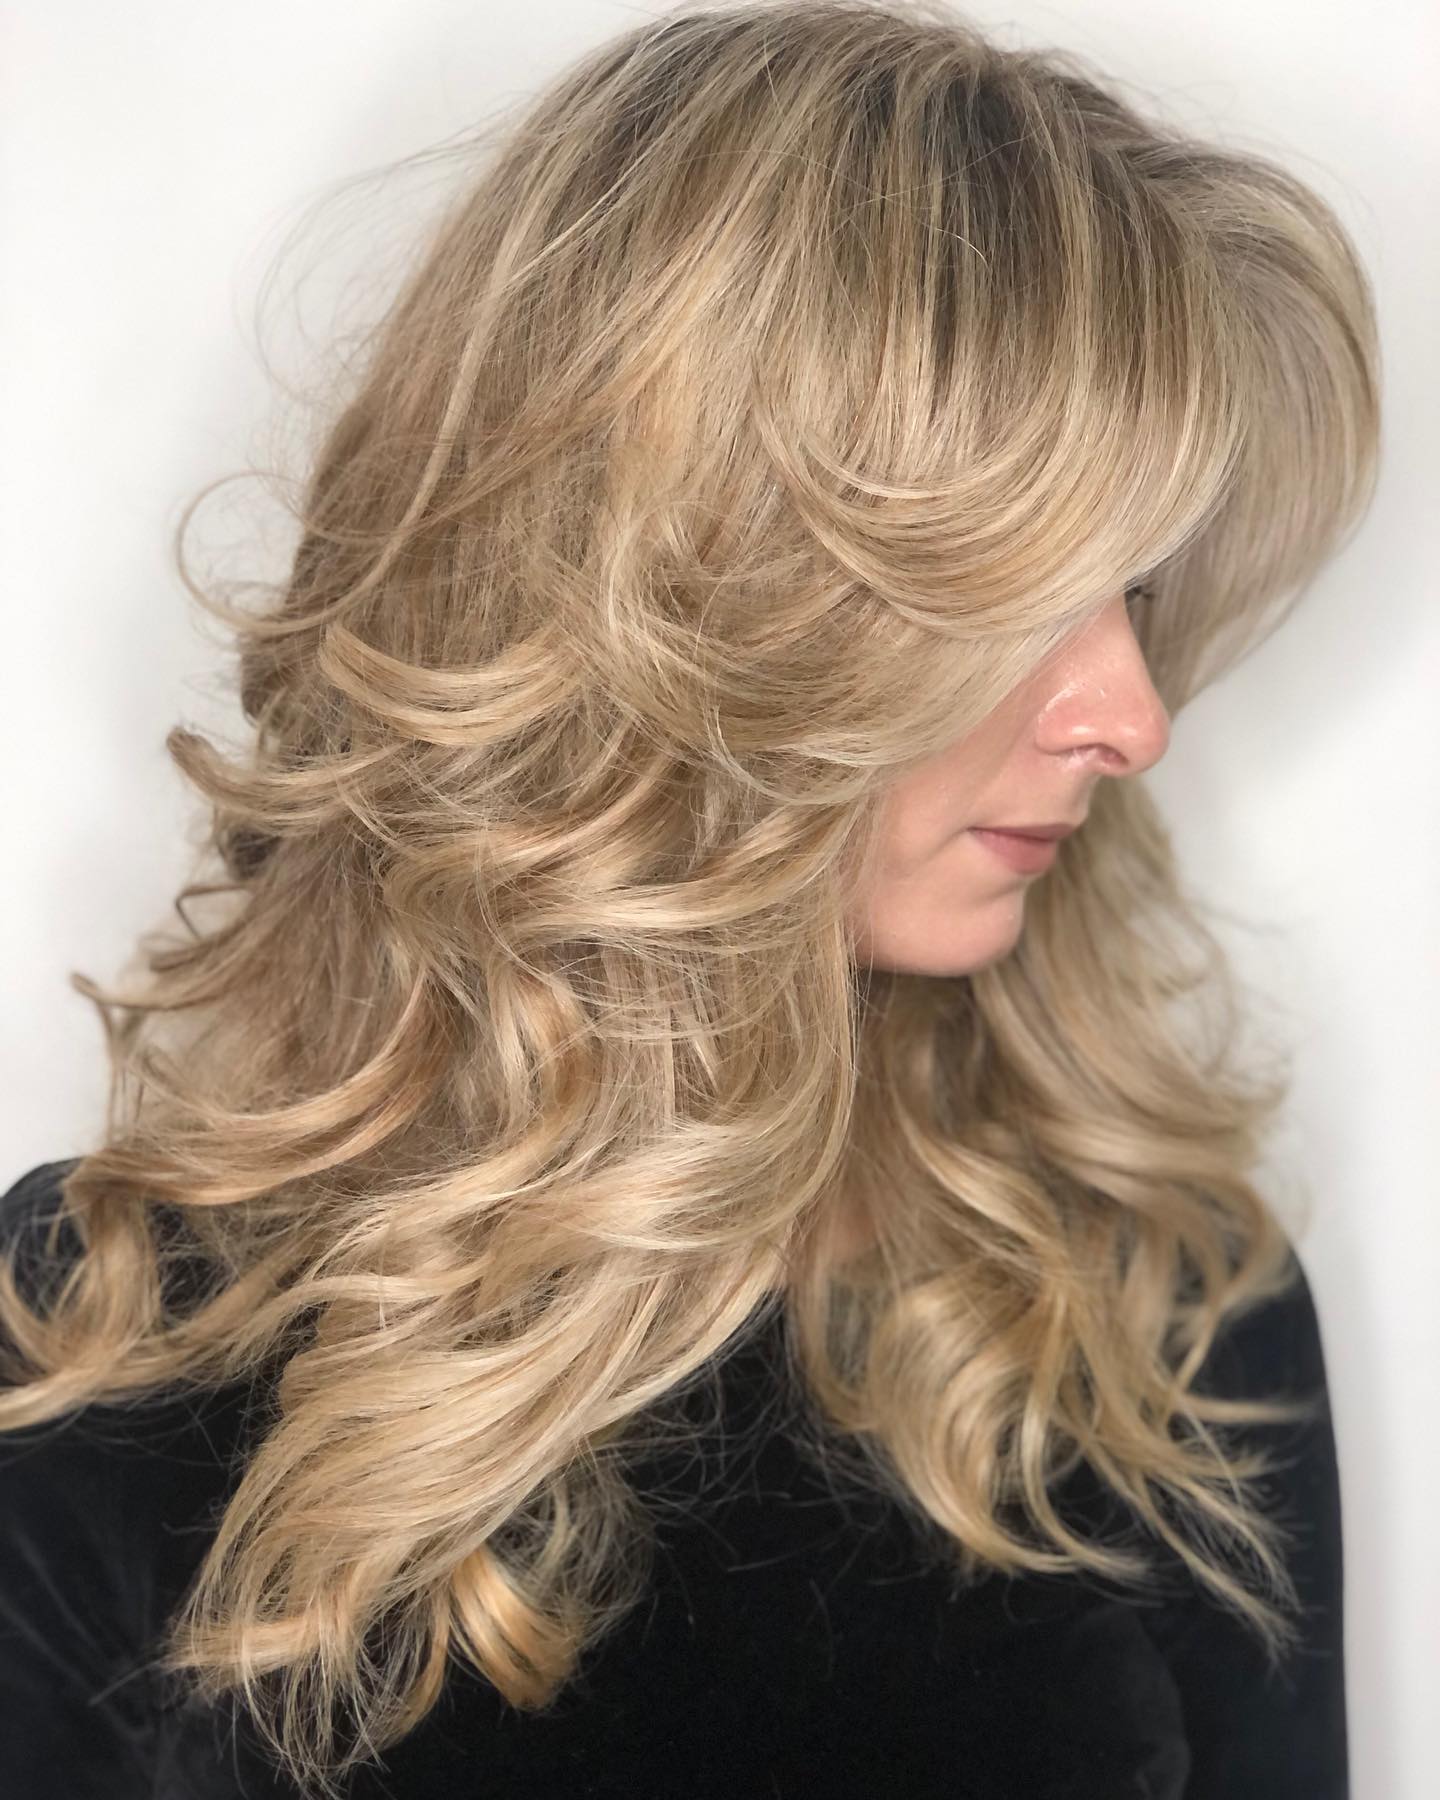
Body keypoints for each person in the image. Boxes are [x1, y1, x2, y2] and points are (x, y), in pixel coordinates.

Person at [0, 4, 1379, 1796]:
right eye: (1023, 598)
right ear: (697, 597)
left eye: (1135, 590)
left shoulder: (1157, 1312)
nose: (1132, 716)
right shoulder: (110, 1334)